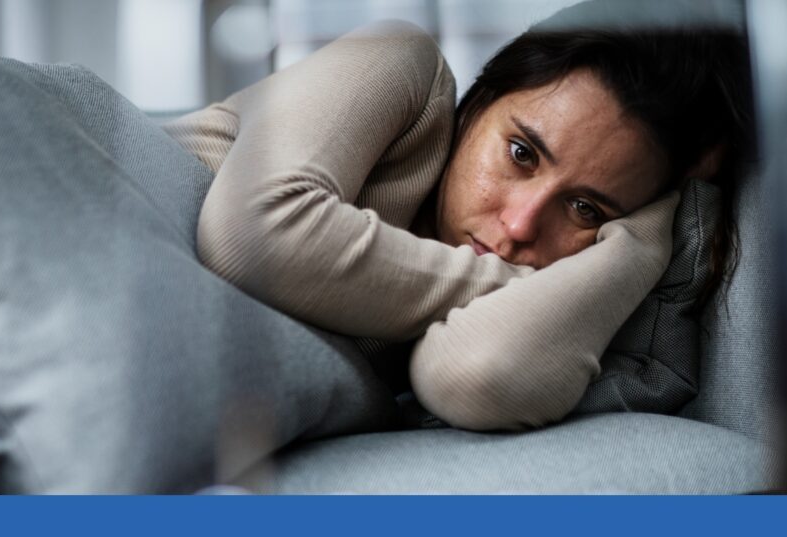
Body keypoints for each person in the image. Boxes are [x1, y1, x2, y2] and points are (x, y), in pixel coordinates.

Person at [161, 1, 753, 430]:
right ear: (479, 103)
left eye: (585, 208)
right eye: (521, 154)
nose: (520, 225)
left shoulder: (485, 321)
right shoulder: (398, 62)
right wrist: (521, 284)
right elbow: (253, 236)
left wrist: (646, 238)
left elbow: (478, 374)